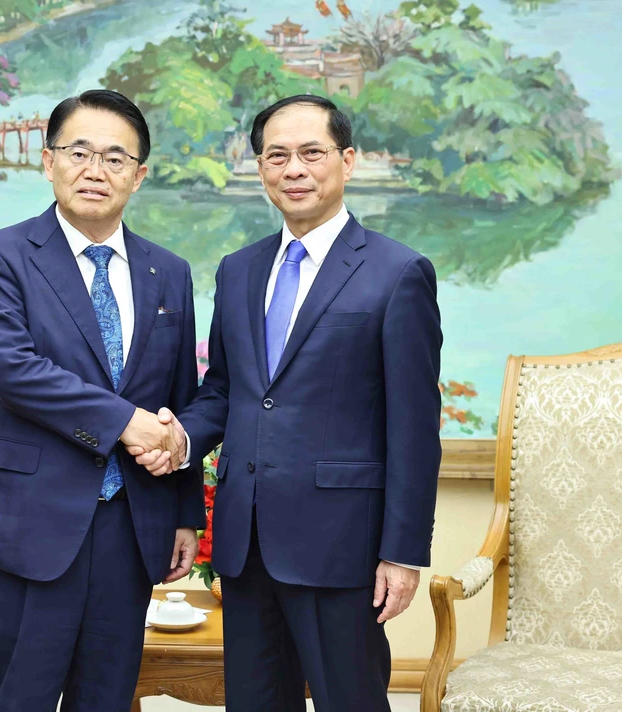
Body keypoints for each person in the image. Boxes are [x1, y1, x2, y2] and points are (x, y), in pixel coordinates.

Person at [133, 94, 443, 711]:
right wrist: (179, 436)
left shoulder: (398, 272)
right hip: (247, 549)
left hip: (342, 545)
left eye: (311, 153)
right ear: (259, 168)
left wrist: (403, 554)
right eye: (277, 155)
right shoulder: (239, 270)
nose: (293, 169)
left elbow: (414, 427)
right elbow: (225, 388)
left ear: (347, 161)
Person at [0, 89, 203, 712]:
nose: (97, 171)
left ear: (139, 175)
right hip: (29, 521)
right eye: (80, 152)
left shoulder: (167, 270)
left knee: (109, 697)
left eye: (117, 158)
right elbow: (15, 370)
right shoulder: (0, 256)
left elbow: (178, 395)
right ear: (47, 161)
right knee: (21, 698)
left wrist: (183, 513)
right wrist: (126, 423)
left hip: (131, 524)